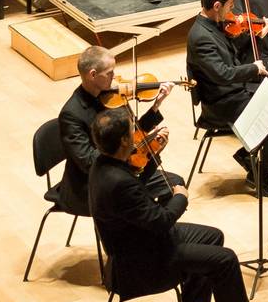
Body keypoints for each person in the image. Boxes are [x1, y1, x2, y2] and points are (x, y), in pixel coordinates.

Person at [87, 108, 268, 302]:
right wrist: (180, 197)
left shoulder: (103, 164)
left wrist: (153, 156)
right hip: (142, 263)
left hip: (140, 244)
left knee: (212, 237)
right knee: (225, 259)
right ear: (123, 141)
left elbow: (137, 190)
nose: (136, 133)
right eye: (132, 129)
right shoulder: (118, 181)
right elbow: (161, 221)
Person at [57, 45, 180, 213]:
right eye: (109, 73)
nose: (114, 77)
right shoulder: (72, 114)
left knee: (175, 184)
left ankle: (156, 232)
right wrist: (131, 146)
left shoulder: (113, 98)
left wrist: (156, 106)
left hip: (122, 172)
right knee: (138, 200)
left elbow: (131, 132)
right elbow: (88, 162)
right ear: (93, 75)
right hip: (91, 187)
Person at [185, 0, 268, 194]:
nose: (232, 10)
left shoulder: (215, 25)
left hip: (234, 91)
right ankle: (257, 169)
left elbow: (230, 54)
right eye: (230, 5)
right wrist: (254, 69)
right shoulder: (201, 37)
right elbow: (223, 74)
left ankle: (255, 158)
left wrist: (254, 34)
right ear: (216, 6)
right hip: (221, 102)